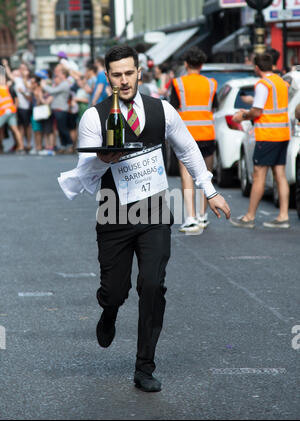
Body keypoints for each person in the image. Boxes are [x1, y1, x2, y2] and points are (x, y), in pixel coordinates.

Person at [58, 45, 230, 392]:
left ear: (140, 73)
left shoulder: (161, 110)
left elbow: (188, 149)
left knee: (153, 285)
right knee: (115, 291)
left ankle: (144, 367)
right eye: (116, 75)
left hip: (154, 210)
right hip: (113, 210)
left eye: (128, 73)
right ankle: (109, 309)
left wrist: (209, 190)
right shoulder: (95, 116)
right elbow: (85, 175)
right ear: (109, 78)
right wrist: (104, 159)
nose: (123, 81)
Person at [230, 53, 290, 229]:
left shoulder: (262, 84)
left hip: (267, 135)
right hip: (282, 134)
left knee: (258, 175)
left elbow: (257, 112)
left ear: (257, 68)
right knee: (280, 174)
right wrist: (252, 103)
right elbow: (271, 105)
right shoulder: (281, 82)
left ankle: (249, 217)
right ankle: (283, 216)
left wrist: (243, 115)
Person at [170, 47, 218, 232]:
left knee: (187, 176)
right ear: (202, 64)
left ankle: (190, 217)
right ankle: (202, 215)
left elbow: (173, 110)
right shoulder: (211, 83)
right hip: (207, 134)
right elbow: (214, 107)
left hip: (186, 137)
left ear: (186, 64)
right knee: (205, 174)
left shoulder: (178, 83)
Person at [41, 64, 73, 153]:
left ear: (64, 75)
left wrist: (44, 86)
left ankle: (69, 145)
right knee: (60, 129)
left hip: (61, 109)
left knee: (63, 128)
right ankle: (63, 145)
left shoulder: (65, 84)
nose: (58, 76)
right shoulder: (61, 84)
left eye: (60, 74)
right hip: (57, 108)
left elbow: (52, 91)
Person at [0, 65, 24, 153]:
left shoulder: (4, 87)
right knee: (14, 129)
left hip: (5, 111)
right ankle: (21, 146)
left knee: (13, 129)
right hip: (10, 110)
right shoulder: (7, 87)